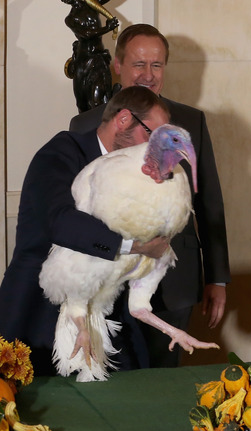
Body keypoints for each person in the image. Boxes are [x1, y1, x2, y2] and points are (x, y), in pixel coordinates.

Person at [69, 24, 231, 368]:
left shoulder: (190, 121)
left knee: (163, 382)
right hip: (106, 275)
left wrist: (217, 277)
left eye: (156, 65)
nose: (148, 74)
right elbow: (78, 208)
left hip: (174, 279)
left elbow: (209, 203)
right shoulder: (84, 125)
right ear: (118, 65)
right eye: (138, 64)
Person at [0, 86, 173, 376]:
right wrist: (135, 245)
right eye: (151, 137)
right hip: (38, 313)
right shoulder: (62, 151)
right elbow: (60, 222)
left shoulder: (135, 172)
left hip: (108, 314)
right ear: (123, 120)